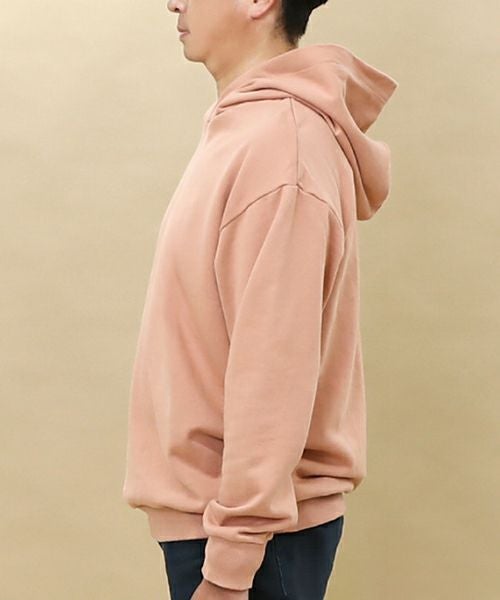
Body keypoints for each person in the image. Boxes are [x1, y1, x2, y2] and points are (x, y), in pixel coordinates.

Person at [122, 0, 399, 597]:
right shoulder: (248, 130)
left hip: (254, 540)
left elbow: (275, 371)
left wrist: (229, 568)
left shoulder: (281, 147)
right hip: (228, 524)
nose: (173, 2)